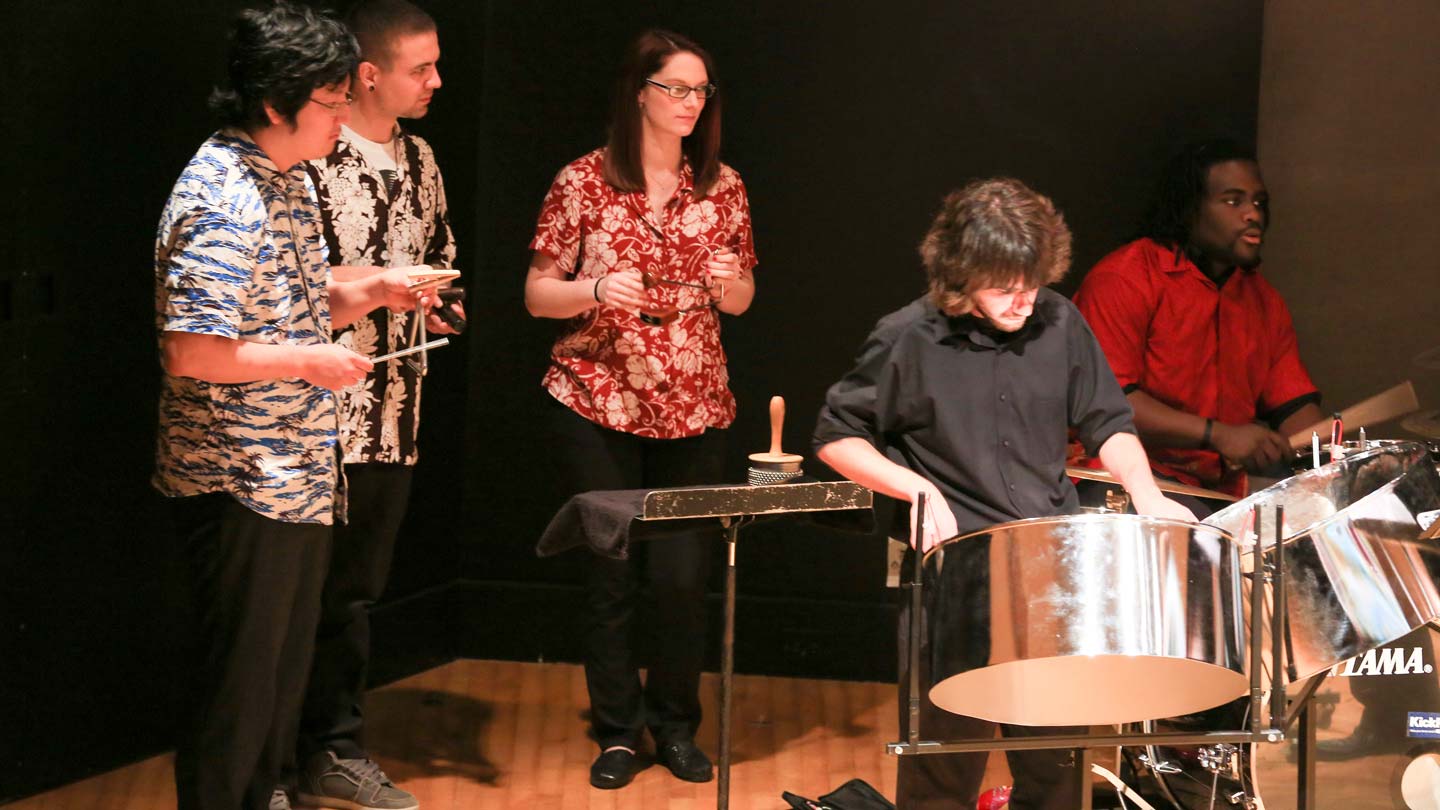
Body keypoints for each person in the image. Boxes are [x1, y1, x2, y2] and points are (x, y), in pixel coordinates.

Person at [812, 178, 1194, 809]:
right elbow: (835, 437)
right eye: (1004, 288)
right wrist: (914, 489)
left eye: (1032, 283)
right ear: (960, 279)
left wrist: (1148, 494)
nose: (1023, 301)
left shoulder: (1059, 321)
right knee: (944, 771)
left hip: (1051, 576)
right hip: (952, 579)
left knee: (1055, 771)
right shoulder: (908, 337)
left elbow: (1107, 420)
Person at [153, 5, 432, 808]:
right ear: (277, 103)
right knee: (237, 694)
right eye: (331, 100)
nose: (345, 116)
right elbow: (191, 351)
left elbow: (286, 310)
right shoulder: (219, 194)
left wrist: (369, 292)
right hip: (238, 479)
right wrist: (310, 359)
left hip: (294, 476)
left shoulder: (283, 177)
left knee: (276, 685)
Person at [523, 28, 756, 791]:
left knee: (682, 579)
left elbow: (745, 297)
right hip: (597, 395)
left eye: (700, 91)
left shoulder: (723, 187)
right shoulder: (583, 182)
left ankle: (677, 725)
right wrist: (594, 289)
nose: (691, 103)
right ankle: (619, 732)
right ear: (639, 94)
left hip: (693, 401)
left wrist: (728, 282)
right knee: (612, 576)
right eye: (676, 89)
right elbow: (536, 294)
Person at [297, 2, 459, 808]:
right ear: (369, 74)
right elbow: (289, 288)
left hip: (395, 415)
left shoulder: (423, 158)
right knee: (288, 599)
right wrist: (375, 292)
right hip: (307, 418)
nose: (436, 81)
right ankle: (262, 764)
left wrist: (440, 303)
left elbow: (442, 260)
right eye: (420, 67)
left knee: (353, 595)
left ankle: (333, 747)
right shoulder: (309, 157)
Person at [1072, 139, 1322, 504]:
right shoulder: (1124, 278)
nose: (1253, 214)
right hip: (1121, 478)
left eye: (1258, 202)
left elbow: (1294, 406)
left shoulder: (1262, 300)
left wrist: (1331, 448)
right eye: (1233, 201)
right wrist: (1219, 435)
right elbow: (1108, 405)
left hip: (1216, 488)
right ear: (1191, 210)